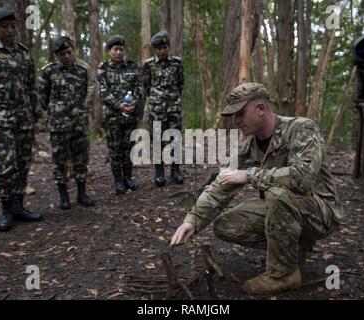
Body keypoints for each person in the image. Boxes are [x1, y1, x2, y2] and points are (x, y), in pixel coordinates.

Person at [170, 82, 344, 294]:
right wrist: (192, 221)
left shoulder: (302, 129)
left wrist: (250, 175)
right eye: (233, 116)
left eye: (240, 114)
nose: (236, 121)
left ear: (260, 108)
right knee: (225, 225)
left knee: (277, 194)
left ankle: (283, 275)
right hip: (285, 209)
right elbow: (220, 186)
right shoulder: (248, 147)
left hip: (320, 211)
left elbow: (302, 178)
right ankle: (293, 251)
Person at [0, 5, 43, 232]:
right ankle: (6, 211)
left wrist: (37, 116)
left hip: (24, 119)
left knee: (22, 163)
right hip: (0, 119)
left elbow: (32, 87)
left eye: (13, 26)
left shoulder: (24, 53)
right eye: (5, 27)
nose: (10, 31)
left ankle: (19, 206)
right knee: (5, 166)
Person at [38, 36, 96, 210]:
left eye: (69, 52)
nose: (67, 56)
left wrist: (83, 109)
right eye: (63, 54)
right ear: (57, 55)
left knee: (80, 159)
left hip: (79, 123)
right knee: (60, 161)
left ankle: (81, 193)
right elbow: (42, 96)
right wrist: (50, 113)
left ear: (73, 49)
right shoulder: (49, 71)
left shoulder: (83, 69)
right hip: (58, 125)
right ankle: (63, 196)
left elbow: (90, 90)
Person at [97, 35, 141, 195]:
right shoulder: (103, 69)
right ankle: (118, 181)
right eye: (115, 49)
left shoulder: (131, 67)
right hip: (112, 117)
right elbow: (103, 92)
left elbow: (138, 86)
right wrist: (118, 105)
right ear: (110, 51)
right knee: (115, 149)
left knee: (128, 147)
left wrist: (134, 102)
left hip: (129, 115)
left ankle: (128, 178)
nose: (118, 52)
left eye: (121, 49)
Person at [142, 31, 184, 187]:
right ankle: (159, 172)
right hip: (156, 109)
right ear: (155, 49)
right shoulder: (148, 65)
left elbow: (180, 84)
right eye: (160, 48)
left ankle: (176, 170)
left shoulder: (177, 63)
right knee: (158, 140)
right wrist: (157, 99)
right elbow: (146, 86)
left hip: (174, 107)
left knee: (175, 138)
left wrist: (172, 98)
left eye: (165, 47)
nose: (163, 51)